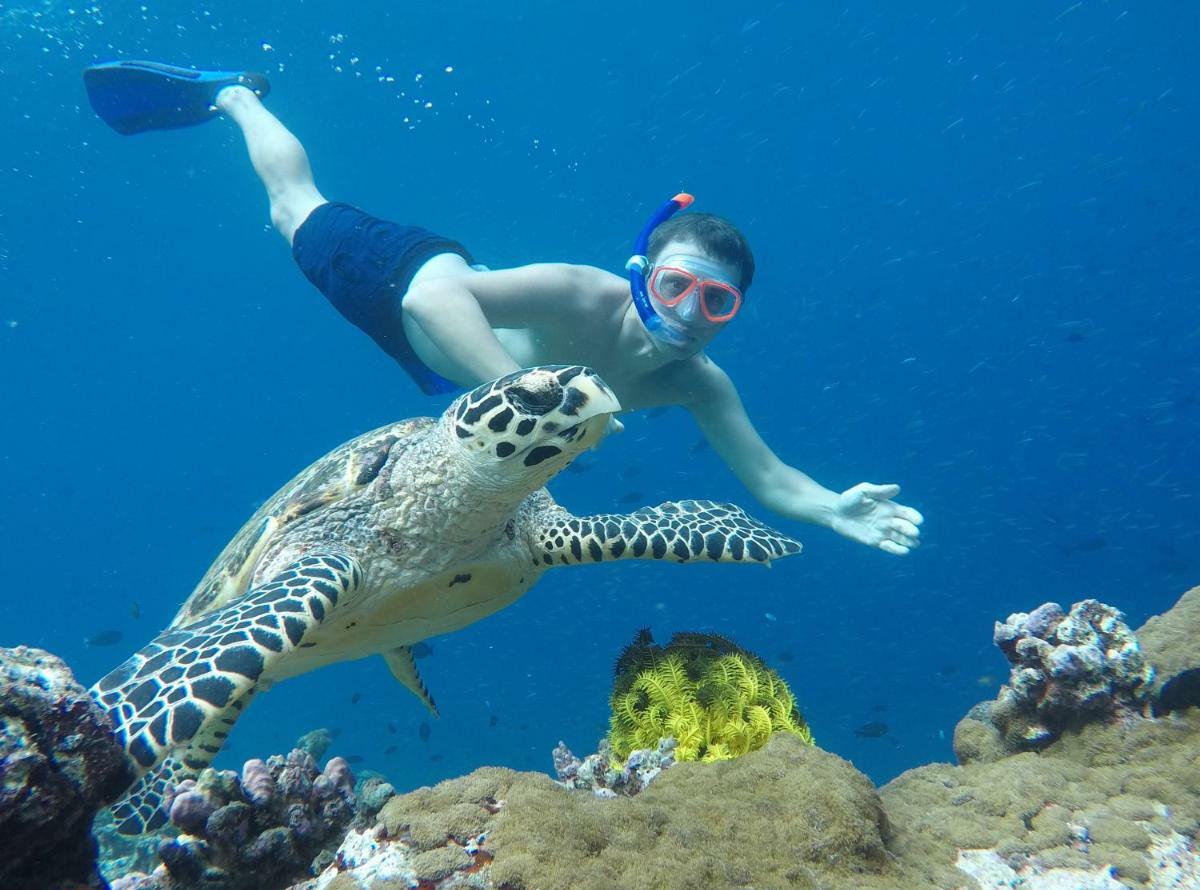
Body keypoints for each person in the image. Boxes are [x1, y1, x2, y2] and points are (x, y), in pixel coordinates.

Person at [83, 61, 923, 555]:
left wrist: (830, 507)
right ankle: (233, 92)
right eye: (676, 285)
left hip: (435, 370)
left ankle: (233, 94)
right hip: (407, 280)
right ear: (641, 275)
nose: (691, 312)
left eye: (718, 300)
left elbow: (770, 475)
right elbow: (435, 294)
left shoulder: (702, 386)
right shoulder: (580, 290)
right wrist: (528, 394)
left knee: (295, 216)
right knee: (292, 208)